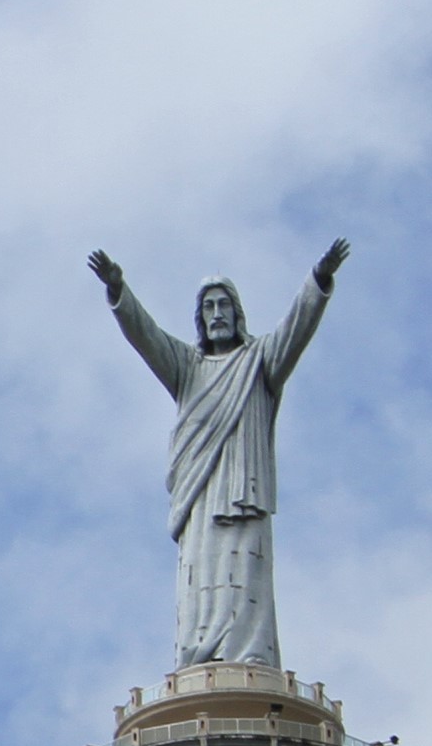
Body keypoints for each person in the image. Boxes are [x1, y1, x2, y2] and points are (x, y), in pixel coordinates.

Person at [87, 237, 349, 672]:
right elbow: (146, 336)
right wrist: (119, 292)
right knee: (200, 574)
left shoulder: (260, 361)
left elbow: (294, 330)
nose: (216, 315)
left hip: (244, 489)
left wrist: (318, 281)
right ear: (199, 318)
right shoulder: (187, 368)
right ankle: (199, 654)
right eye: (208, 308)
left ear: (237, 313)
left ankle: (250, 655)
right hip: (200, 492)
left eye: (223, 306)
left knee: (246, 572)